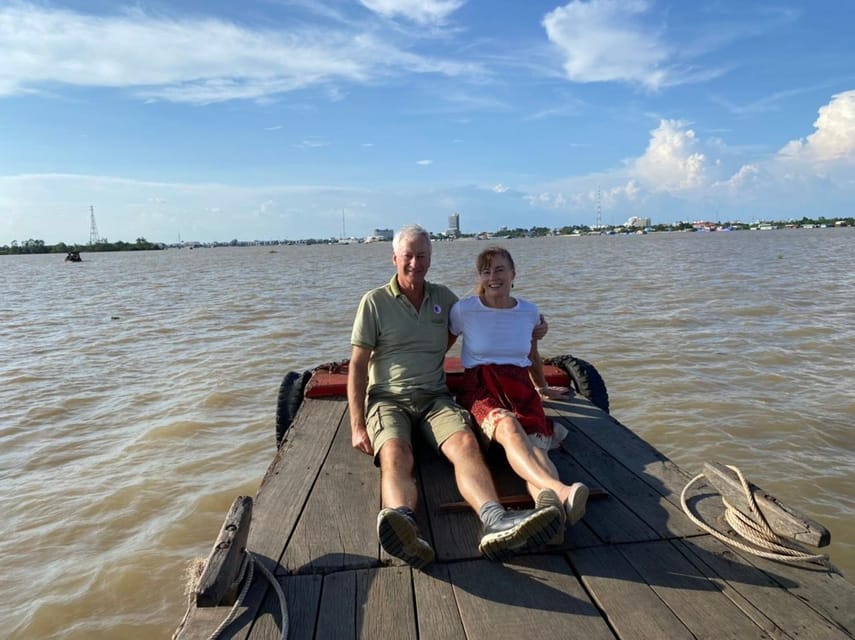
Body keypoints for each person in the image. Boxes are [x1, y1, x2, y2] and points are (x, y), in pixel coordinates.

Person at [348, 224, 562, 568]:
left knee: (465, 444)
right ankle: (403, 524)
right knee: (395, 451)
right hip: (388, 397)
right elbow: (358, 366)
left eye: (422, 256)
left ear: (430, 259)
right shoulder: (374, 302)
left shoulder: (445, 300)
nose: (415, 263)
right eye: (408, 256)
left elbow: (489, 308)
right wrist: (358, 425)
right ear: (394, 259)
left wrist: (535, 325)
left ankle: (495, 520)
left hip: (435, 396)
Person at [449, 245, 589, 543]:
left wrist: (543, 388)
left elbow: (533, 356)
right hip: (481, 386)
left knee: (537, 449)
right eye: (486, 271)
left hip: (520, 388)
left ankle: (552, 520)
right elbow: (440, 344)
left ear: (514, 274)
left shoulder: (529, 311)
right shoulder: (465, 309)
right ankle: (562, 492)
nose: (493, 276)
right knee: (509, 426)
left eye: (500, 269)